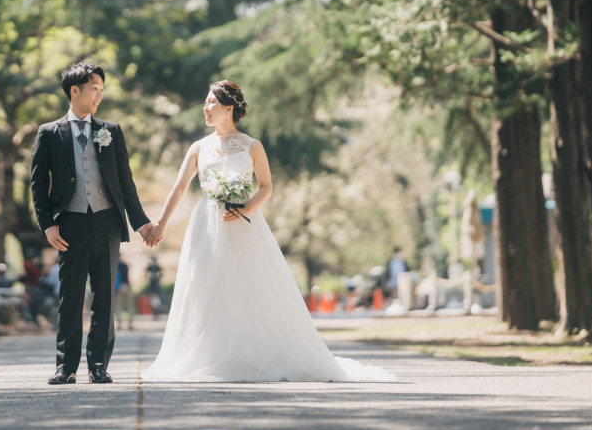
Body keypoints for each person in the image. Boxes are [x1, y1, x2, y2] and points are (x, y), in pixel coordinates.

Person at [142, 80, 394, 383]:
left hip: (243, 223)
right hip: (207, 224)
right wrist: (161, 224)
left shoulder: (252, 146)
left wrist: (245, 209)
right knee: (204, 286)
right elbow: (180, 188)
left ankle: (251, 352)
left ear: (228, 108)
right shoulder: (198, 148)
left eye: (210, 102)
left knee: (247, 286)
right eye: (205, 102)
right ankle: (207, 353)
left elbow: (266, 187)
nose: (205, 108)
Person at [31, 61, 156, 385]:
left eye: (102, 89)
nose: (99, 95)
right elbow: (37, 184)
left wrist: (141, 224)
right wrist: (47, 225)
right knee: (70, 297)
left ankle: (98, 364)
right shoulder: (49, 132)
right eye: (94, 89)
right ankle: (66, 366)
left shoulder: (110, 131)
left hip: (107, 223)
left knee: (104, 297)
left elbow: (125, 183)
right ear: (75, 91)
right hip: (69, 224)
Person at [114, 256, 133, 330]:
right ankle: (130, 324)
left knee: (118, 306)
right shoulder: (124, 265)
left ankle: (119, 324)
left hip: (118, 288)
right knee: (129, 306)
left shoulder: (114, 265)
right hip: (126, 286)